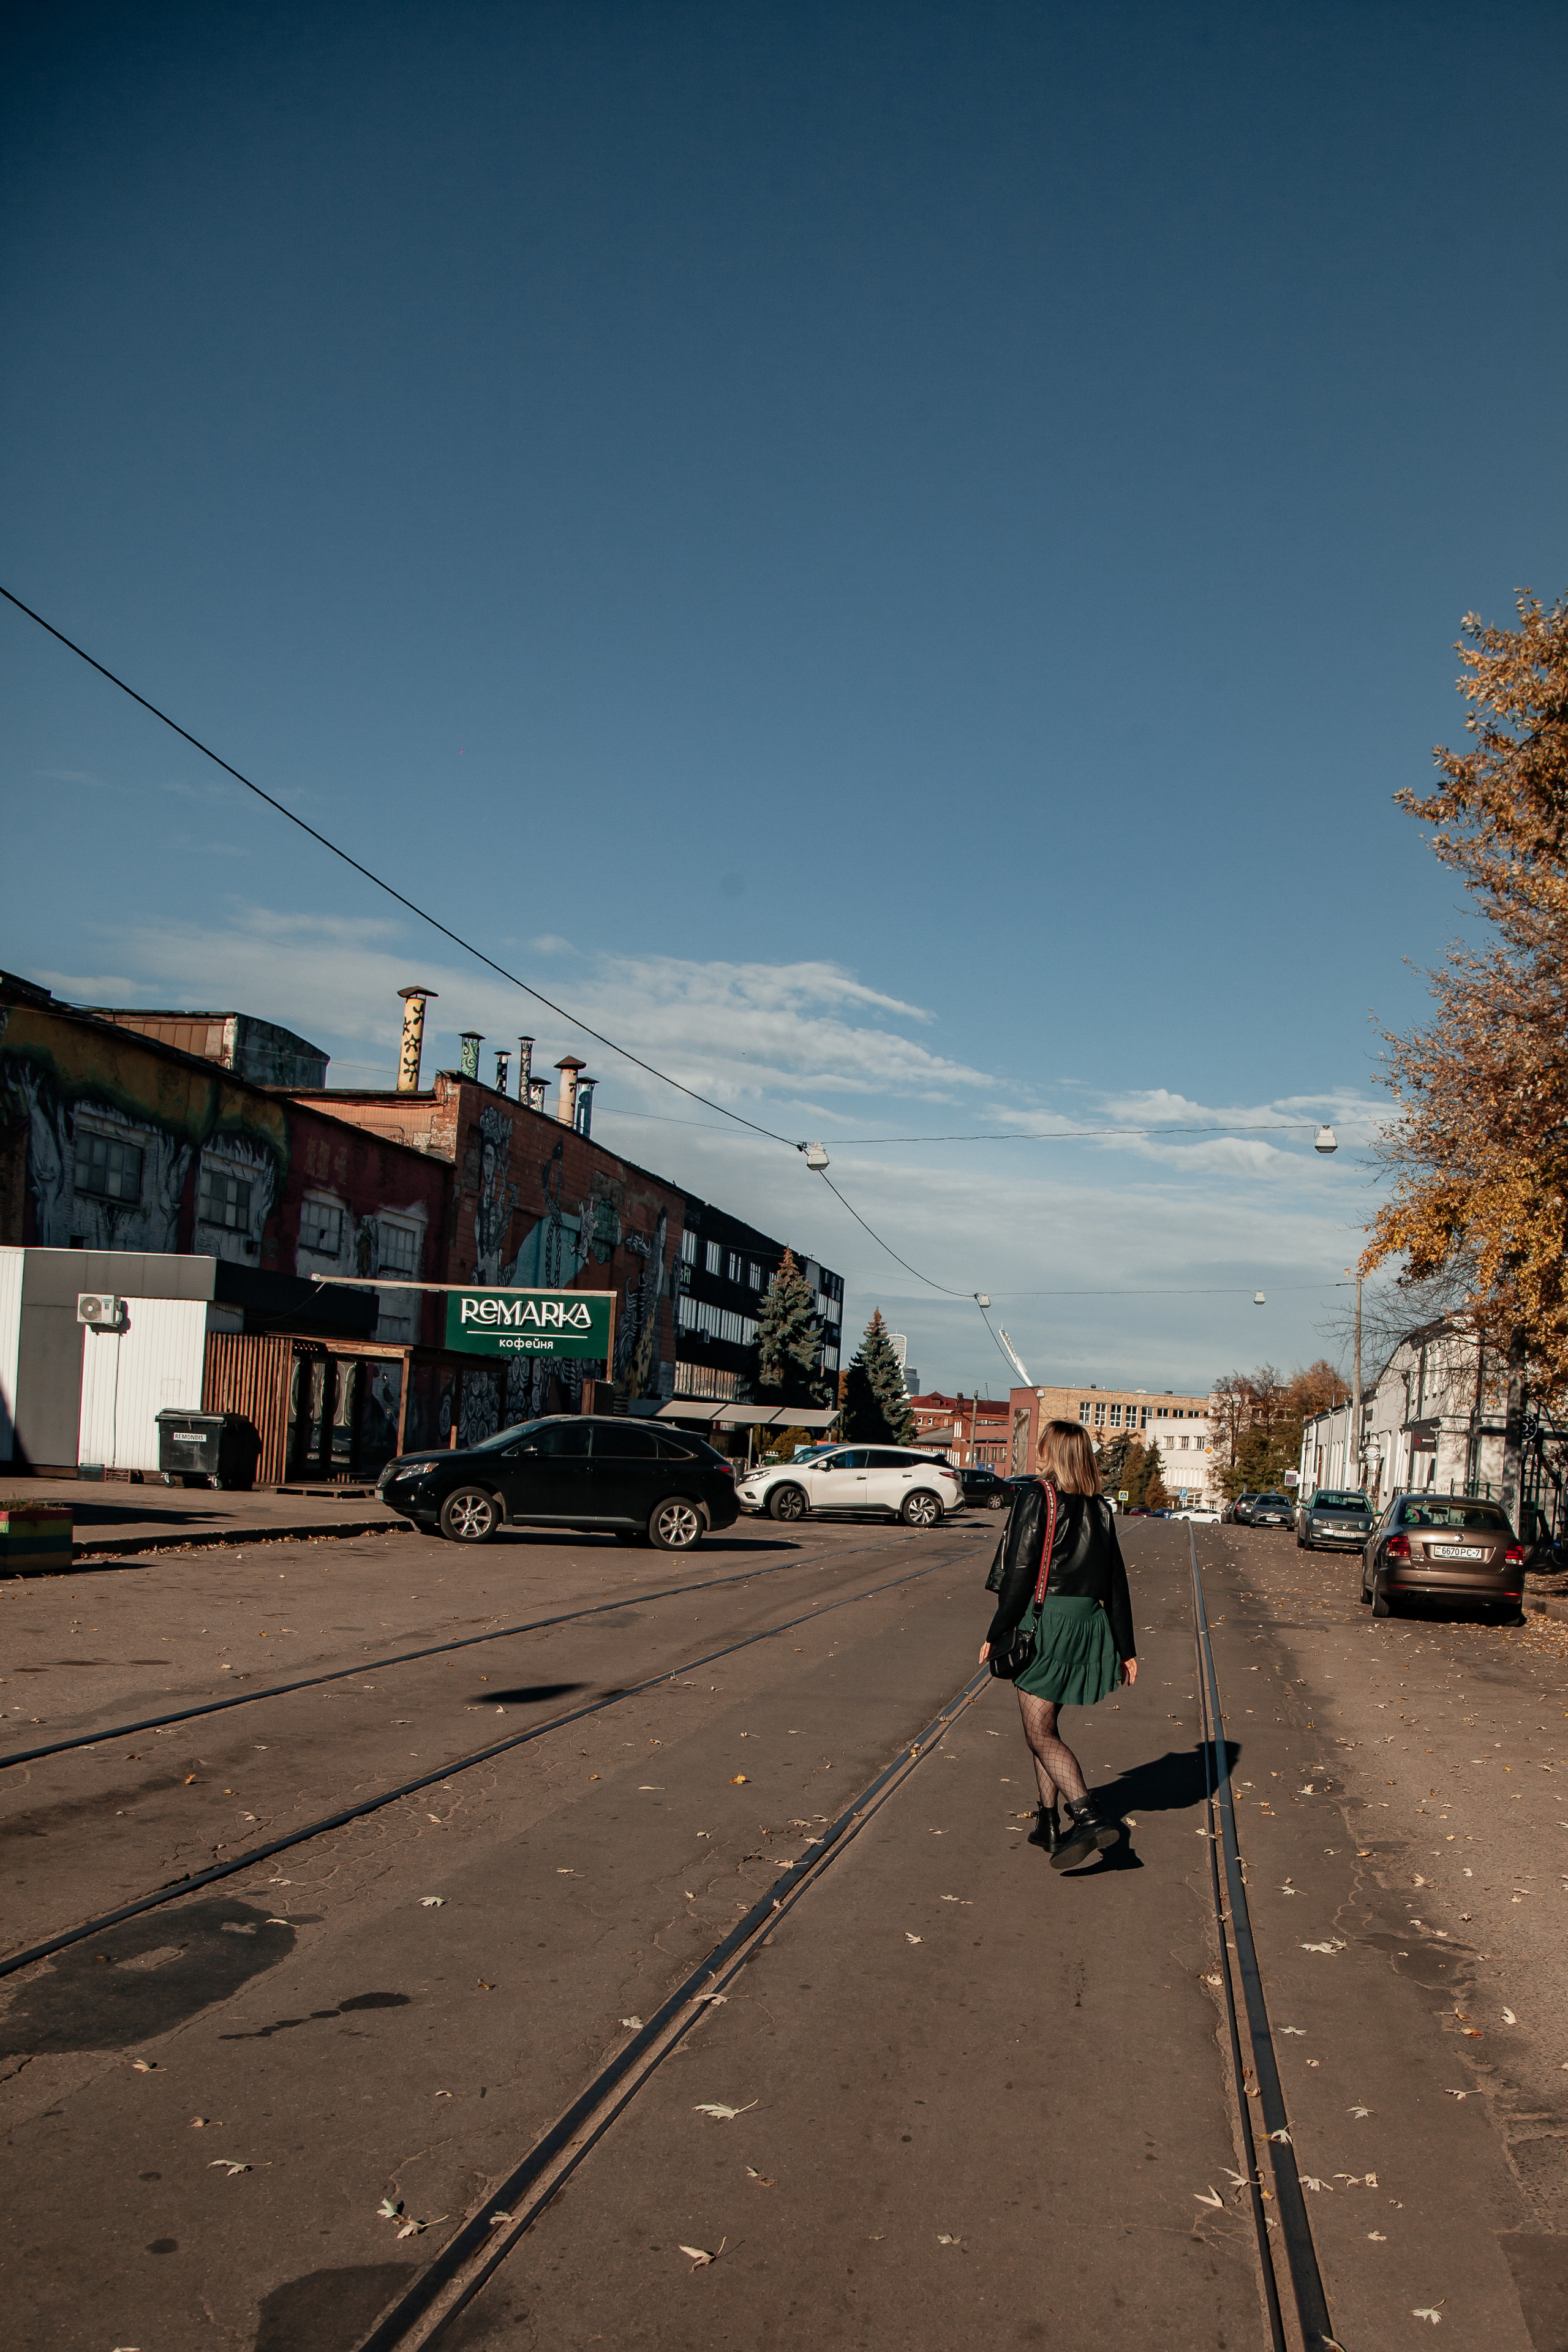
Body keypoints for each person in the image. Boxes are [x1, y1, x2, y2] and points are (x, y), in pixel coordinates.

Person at [979, 1419, 1138, 1871]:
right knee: (1045, 1724)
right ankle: (1047, 1823)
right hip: (1087, 1624)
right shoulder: (1101, 1507)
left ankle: (1086, 1816)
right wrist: (1126, 1647)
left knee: (1038, 1731)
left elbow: (1020, 1571)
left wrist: (997, 1631)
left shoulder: (1037, 1496)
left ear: (1052, 1452)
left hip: (1045, 1622)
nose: (1039, 1453)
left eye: (1042, 1446)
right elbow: (1116, 1583)